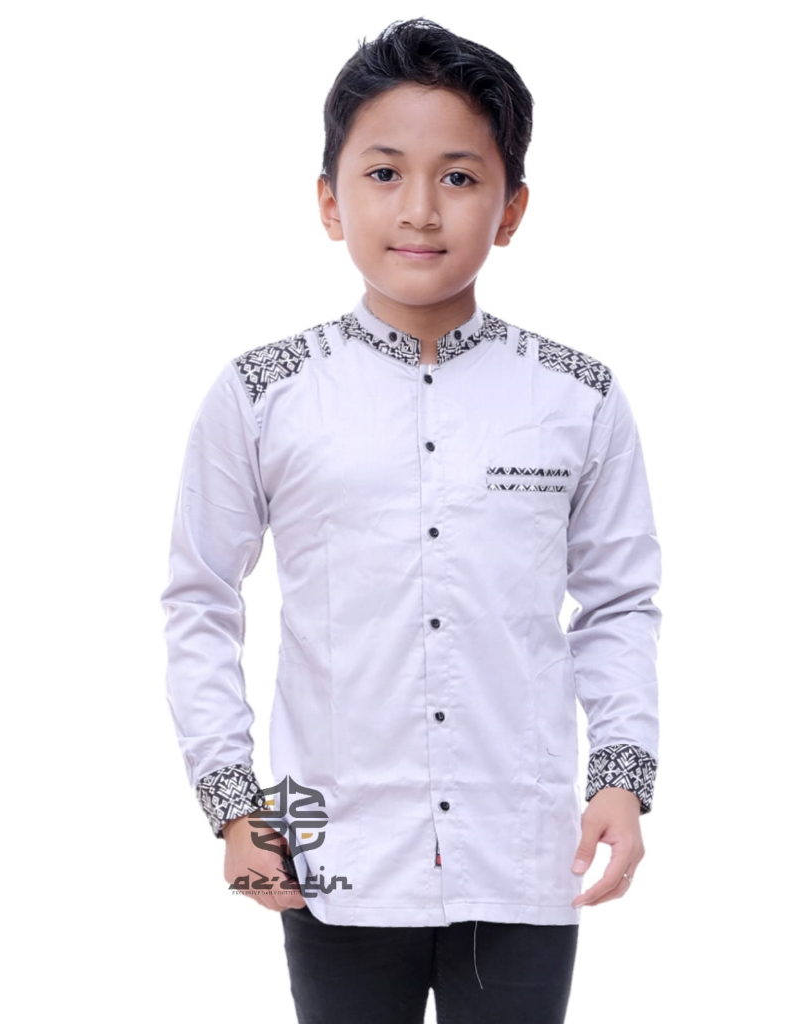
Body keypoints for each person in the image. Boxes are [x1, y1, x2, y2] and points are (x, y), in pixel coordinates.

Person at [159, 16, 662, 1024]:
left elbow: (619, 604)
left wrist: (622, 777)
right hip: (329, 847)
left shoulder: (578, 396)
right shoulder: (263, 393)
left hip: (522, 850)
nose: (421, 209)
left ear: (511, 209)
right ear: (328, 200)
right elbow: (200, 601)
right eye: (384, 173)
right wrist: (233, 804)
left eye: (460, 177)